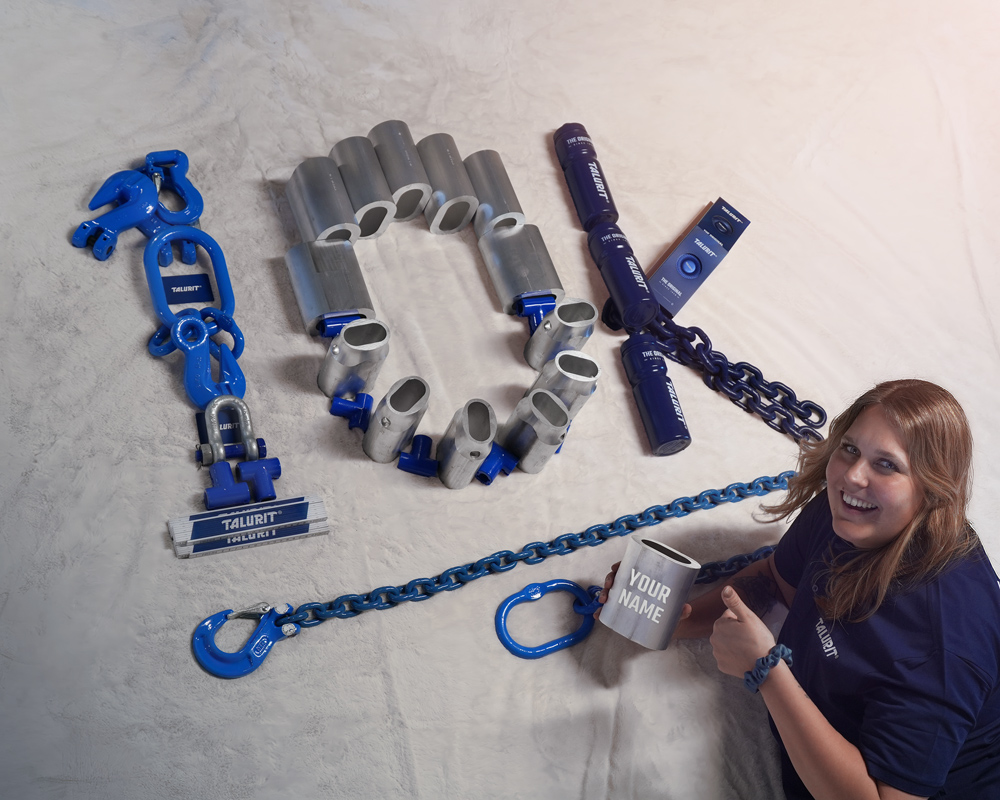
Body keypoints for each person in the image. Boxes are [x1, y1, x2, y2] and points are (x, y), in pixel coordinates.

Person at [597, 379, 1000, 799]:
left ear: (934, 491)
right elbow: (774, 581)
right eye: (850, 449)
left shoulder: (945, 648)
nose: (852, 477)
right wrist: (677, 620)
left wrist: (767, 672)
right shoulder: (845, 511)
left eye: (887, 465)